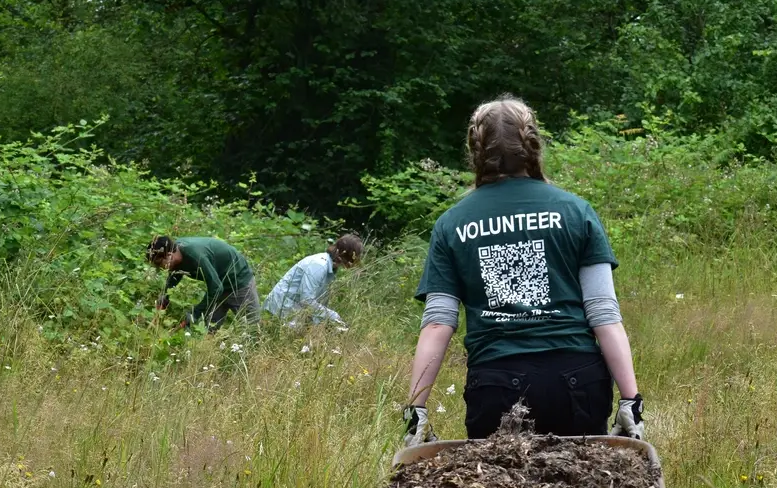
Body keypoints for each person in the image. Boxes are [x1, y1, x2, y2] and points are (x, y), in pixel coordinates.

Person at [403, 97, 644, 447]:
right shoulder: (576, 212)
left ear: (475, 149)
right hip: (577, 381)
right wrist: (630, 401)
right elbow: (603, 312)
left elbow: (439, 322)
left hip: (496, 386)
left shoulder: (452, 224)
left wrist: (416, 410)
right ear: (533, 145)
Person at [146, 235, 260, 330]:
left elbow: (216, 288)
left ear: (169, 256)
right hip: (217, 283)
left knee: (252, 327)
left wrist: (195, 312)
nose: (159, 268)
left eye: (158, 263)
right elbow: (175, 275)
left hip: (238, 280)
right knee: (209, 328)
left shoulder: (195, 255)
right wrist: (164, 298)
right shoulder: (175, 255)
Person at [263, 234, 364, 329]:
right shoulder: (319, 265)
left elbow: (316, 300)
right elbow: (306, 300)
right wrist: (333, 316)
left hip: (293, 309)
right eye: (357, 255)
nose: (357, 259)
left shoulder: (331, 266)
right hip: (280, 308)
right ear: (349, 255)